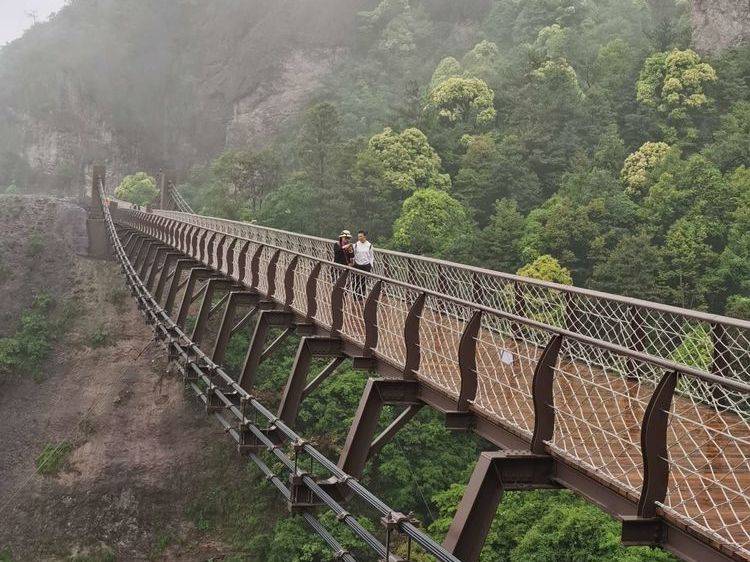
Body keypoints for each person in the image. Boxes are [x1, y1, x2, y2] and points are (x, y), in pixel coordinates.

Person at [352, 230, 374, 298]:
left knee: (363, 282)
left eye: (361, 236)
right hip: (357, 265)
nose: (359, 237)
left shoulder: (369, 245)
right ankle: (355, 296)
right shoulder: (356, 245)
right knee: (355, 281)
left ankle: (361, 296)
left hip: (366, 266)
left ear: (364, 236)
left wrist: (371, 265)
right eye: (358, 236)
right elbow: (353, 254)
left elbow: (371, 256)